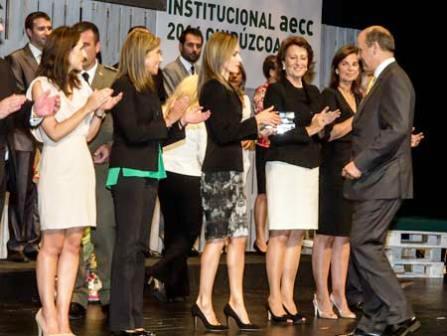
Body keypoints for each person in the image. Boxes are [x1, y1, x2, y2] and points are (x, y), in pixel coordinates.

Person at [107, 29, 208, 336]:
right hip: (129, 172)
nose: (160, 58)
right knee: (127, 247)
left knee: (138, 248)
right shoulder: (123, 85)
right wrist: (168, 119)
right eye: (156, 53)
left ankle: (135, 320)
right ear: (141, 54)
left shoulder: (150, 87)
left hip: (151, 171)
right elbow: (134, 132)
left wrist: (181, 122)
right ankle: (122, 320)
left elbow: (159, 136)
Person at [28, 26, 121, 335]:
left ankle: (64, 318)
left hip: (80, 163)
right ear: (65, 50)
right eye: (81, 48)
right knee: (52, 244)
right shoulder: (42, 85)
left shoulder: (80, 85)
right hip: (58, 167)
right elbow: (53, 132)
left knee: (73, 244)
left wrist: (98, 113)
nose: (86, 54)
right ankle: (49, 315)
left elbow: (86, 134)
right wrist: (88, 107)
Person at [193, 31, 280, 332]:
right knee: (216, 239)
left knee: (239, 239)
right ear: (220, 56)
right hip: (218, 173)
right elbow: (223, 132)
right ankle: (204, 301)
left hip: (232, 171)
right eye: (234, 54)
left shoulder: (227, 90)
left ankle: (236, 301)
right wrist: (256, 122)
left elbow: (235, 132)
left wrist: (258, 126)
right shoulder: (213, 89)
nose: (239, 60)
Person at [338, 26, 420, 336]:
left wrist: (360, 163)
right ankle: (374, 321)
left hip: (383, 178)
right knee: (363, 245)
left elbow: (397, 128)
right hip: (376, 179)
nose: (358, 57)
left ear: (373, 47)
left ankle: (399, 313)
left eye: (360, 50)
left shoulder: (395, 78)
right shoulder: (382, 79)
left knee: (363, 242)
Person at [263, 35, 339, 324]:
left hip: (309, 166)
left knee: (296, 236)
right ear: (283, 62)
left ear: (309, 63)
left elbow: (322, 130)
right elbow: (278, 132)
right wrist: (311, 128)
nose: (298, 62)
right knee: (280, 233)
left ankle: (288, 295)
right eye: (293, 57)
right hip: (283, 165)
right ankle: (273, 297)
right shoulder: (275, 91)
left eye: (303, 58)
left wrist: (323, 126)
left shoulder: (314, 92)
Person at [69, 21, 118, 320]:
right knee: (73, 230)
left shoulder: (112, 77)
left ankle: (109, 292)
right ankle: (76, 294)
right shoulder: (66, 78)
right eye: (77, 45)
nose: (82, 50)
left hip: (102, 162)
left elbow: (124, 122)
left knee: (104, 230)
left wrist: (111, 146)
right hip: (72, 158)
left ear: (98, 46)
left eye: (86, 44)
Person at [146, 74, 207, 302]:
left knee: (174, 232)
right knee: (190, 231)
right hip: (189, 177)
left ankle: (176, 288)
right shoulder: (198, 116)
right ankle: (157, 270)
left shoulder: (167, 109)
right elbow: (202, 152)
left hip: (165, 176)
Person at [312, 45, 361, 320]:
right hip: (331, 171)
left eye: (355, 64)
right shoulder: (328, 95)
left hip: (355, 173)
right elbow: (326, 134)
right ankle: (321, 295)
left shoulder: (360, 96)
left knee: (344, 239)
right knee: (326, 236)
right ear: (336, 67)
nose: (350, 68)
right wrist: (356, 120)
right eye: (346, 64)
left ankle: (339, 295)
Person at [6, 11, 52, 262]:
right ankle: (16, 244)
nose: (47, 32)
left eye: (49, 28)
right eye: (41, 28)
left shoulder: (52, 61)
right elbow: (19, 97)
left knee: (38, 191)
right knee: (21, 189)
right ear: (29, 31)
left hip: (47, 134)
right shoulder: (16, 59)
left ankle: (33, 241)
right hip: (23, 133)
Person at [252, 55, 277, 254]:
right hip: (265, 146)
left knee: (278, 195)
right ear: (271, 71)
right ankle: (260, 238)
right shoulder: (262, 91)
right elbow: (263, 120)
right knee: (264, 194)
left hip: (283, 148)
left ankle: (274, 238)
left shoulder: (286, 90)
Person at [162, 27, 203, 96]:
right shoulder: (169, 71)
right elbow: (172, 100)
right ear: (180, 46)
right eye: (190, 45)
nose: (195, 49)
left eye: (198, 46)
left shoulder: (202, 71)